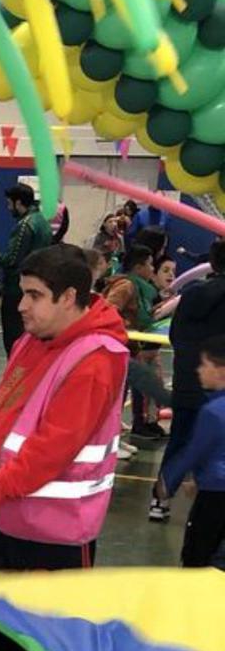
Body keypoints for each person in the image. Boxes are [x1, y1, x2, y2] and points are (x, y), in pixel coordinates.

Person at [0, 245, 128, 651]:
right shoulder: (32, 341)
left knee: (58, 647)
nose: (21, 305)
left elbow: (56, 444)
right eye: (22, 293)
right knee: (5, 633)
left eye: (34, 295)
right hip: (8, 518)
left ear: (69, 297)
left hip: (55, 533)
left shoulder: (96, 359)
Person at [153, 239, 225, 522]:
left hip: (187, 378)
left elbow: (175, 335)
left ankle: (159, 502)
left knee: (179, 441)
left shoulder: (192, 294)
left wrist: (189, 362)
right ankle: (206, 510)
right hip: (219, 386)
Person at [158, 335, 225, 568]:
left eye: (204, 364)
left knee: (197, 555)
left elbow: (193, 451)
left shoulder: (213, 411)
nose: (199, 370)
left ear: (220, 370)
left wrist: (168, 481)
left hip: (215, 495)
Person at [103, 244, 170, 440]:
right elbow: (109, 310)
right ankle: (110, 438)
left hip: (129, 346)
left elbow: (137, 315)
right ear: (139, 266)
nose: (152, 269)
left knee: (124, 390)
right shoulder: (127, 286)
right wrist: (126, 330)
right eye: (149, 265)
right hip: (119, 345)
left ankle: (118, 435)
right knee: (116, 394)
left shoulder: (142, 289)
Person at [0, 183, 52, 354]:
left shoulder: (25, 225)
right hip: (37, 285)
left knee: (13, 339)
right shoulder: (42, 220)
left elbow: (12, 259)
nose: (8, 208)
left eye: (9, 204)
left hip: (17, 287)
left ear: (18, 203)